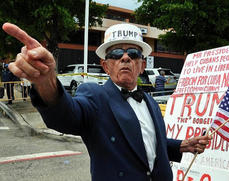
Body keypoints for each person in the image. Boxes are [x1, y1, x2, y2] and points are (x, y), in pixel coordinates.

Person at [3, 22, 211, 181]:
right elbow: (66, 116)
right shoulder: (95, 96)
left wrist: (182, 145)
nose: (125, 58)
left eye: (133, 53)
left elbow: (147, 142)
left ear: (141, 65)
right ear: (105, 66)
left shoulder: (151, 102)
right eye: (117, 53)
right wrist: (47, 82)